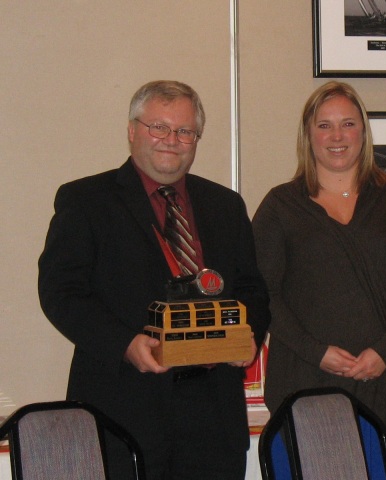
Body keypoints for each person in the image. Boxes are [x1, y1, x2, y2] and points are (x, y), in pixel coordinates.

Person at [38, 80, 270, 480]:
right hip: (124, 410)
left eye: (184, 131)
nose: (171, 140)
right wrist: (125, 344)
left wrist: (245, 335)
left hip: (213, 419)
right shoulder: (86, 200)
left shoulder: (226, 206)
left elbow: (252, 290)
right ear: (132, 131)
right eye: (157, 127)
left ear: (196, 139)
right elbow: (62, 293)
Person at [252, 81, 386, 479]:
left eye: (348, 124)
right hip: (306, 386)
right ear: (308, 135)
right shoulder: (280, 206)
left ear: (363, 132)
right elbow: (262, 293)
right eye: (324, 126)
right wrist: (315, 350)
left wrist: (384, 350)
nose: (336, 137)